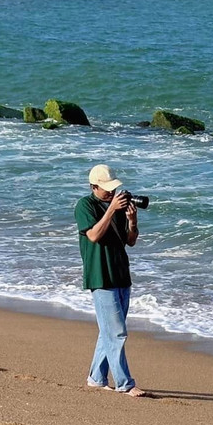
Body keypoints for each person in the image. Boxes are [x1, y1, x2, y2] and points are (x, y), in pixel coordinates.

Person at [75, 164, 146, 397]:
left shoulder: (118, 206)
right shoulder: (85, 205)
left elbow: (130, 241)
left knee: (109, 331)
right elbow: (93, 235)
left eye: (112, 188)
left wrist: (133, 221)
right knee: (116, 333)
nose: (111, 193)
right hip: (100, 275)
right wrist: (110, 209)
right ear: (93, 186)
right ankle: (125, 383)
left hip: (121, 274)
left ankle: (96, 378)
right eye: (106, 189)